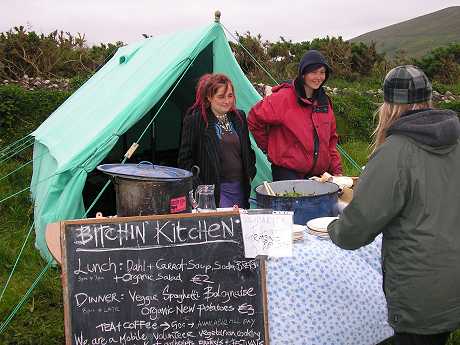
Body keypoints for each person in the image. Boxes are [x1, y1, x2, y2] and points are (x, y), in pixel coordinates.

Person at [327, 65, 460, 345]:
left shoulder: (395, 152)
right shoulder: (455, 140)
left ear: (388, 106)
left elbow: (355, 230)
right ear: (429, 99)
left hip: (419, 291)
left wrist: (332, 228)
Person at [247, 50, 342, 181]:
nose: (318, 77)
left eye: (322, 72)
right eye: (313, 72)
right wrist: (268, 147)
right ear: (303, 74)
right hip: (288, 174)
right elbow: (254, 118)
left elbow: (331, 141)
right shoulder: (283, 97)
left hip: (319, 177)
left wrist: (337, 172)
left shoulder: (324, 102)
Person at [178, 73, 256, 208]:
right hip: (214, 190)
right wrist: (200, 187)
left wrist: (250, 171)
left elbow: (247, 150)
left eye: (230, 96)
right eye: (221, 96)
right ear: (209, 97)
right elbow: (185, 160)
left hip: (240, 188)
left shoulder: (239, 117)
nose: (227, 101)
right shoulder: (195, 121)